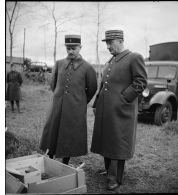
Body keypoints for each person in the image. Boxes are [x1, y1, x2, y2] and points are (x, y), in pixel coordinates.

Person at [91, 30, 147, 190]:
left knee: (117, 143)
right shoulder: (111, 60)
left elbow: (141, 82)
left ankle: (114, 178)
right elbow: (103, 85)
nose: (108, 46)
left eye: (111, 42)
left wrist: (122, 100)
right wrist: (96, 103)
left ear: (121, 40)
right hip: (105, 110)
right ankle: (109, 171)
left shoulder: (134, 57)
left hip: (121, 111)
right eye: (106, 43)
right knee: (107, 140)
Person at [40, 35, 97, 165]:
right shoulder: (59, 64)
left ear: (80, 48)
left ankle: (65, 162)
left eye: (74, 48)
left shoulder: (88, 67)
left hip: (75, 108)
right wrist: (59, 98)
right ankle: (49, 158)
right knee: (53, 131)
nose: (71, 51)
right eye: (68, 48)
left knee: (69, 134)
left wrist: (81, 101)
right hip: (57, 106)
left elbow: (92, 88)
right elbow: (53, 84)